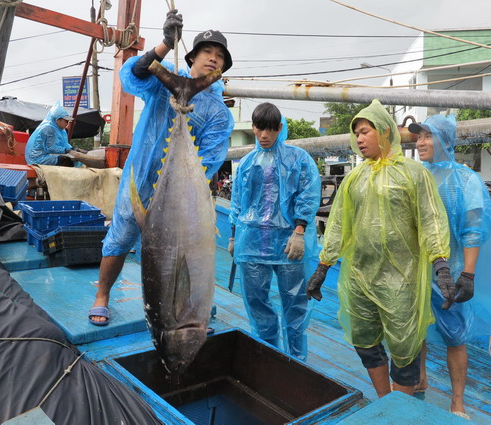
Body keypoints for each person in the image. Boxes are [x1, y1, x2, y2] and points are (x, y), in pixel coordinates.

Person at [88, 10, 234, 324]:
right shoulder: (163, 78)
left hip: (181, 191)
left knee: (181, 250)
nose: (213, 58)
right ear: (192, 56)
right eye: (208, 51)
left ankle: (189, 306)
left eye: (220, 56)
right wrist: (166, 44)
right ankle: (102, 294)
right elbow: (134, 74)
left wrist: (181, 191)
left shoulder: (219, 113)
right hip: (139, 178)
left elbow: (209, 160)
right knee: (121, 235)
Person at [306, 99, 452, 397]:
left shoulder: (413, 173)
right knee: (364, 341)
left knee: (404, 346)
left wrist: (441, 265)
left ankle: (400, 408)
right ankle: (385, 401)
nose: (358, 139)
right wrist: (322, 267)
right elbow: (337, 226)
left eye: (364, 131)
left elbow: (430, 219)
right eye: (356, 133)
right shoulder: (354, 178)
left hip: (402, 279)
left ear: (385, 131)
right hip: (361, 276)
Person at [410, 114, 491, 419]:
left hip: (452, 271)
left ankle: (457, 400)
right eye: (418, 137)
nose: (420, 143)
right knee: (416, 330)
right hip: (418, 271)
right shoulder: (417, 176)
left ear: (445, 140)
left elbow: (474, 230)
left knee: (454, 337)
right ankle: (419, 379)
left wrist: (467, 275)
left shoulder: (465, 179)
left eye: (427, 136)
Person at [228, 102, 321, 360]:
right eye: (260, 128)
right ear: (254, 128)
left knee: (295, 305)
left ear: (280, 128)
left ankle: (296, 361)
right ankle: (268, 357)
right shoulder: (246, 164)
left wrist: (299, 231)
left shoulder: (298, 158)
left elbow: (308, 194)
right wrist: (234, 235)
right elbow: (237, 202)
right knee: (257, 304)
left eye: (270, 129)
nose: (265, 135)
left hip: (289, 243)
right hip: (252, 243)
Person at [25, 102, 78, 166]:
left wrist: (72, 149)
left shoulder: (57, 129)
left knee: (67, 159)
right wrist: (68, 150)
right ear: (58, 120)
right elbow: (51, 148)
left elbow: (63, 144)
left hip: (43, 156)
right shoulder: (49, 129)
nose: (67, 123)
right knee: (66, 161)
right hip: (37, 158)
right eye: (66, 121)